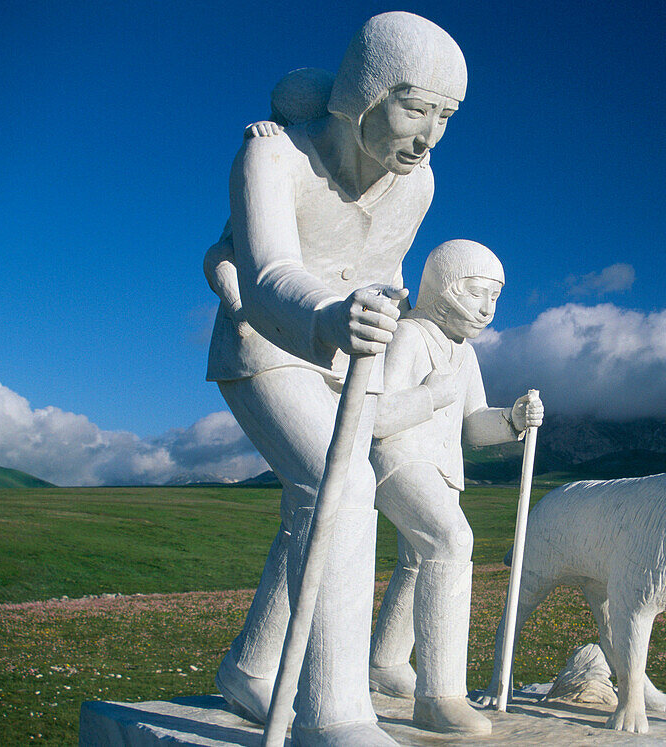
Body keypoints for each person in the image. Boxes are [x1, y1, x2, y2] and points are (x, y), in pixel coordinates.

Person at [206, 13, 466, 747]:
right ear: (362, 94)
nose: (429, 136)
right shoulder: (271, 161)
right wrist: (328, 313)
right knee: (341, 486)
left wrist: (397, 327)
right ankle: (333, 714)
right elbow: (264, 277)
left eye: (446, 117)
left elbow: (386, 272)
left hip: (348, 355)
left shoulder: (417, 186)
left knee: (319, 500)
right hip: (267, 343)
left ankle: (253, 670)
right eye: (416, 108)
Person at [366, 240, 544, 735]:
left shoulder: (464, 354)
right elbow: (378, 416)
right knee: (451, 541)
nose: (488, 308)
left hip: (442, 468)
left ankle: (385, 663)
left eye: (495, 297)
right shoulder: (409, 335)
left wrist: (511, 420)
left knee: (418, 560)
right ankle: (440, 696)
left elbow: (473, 425)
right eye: (477, 292)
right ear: (443, 288)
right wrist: (431, 395)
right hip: (398, 459)